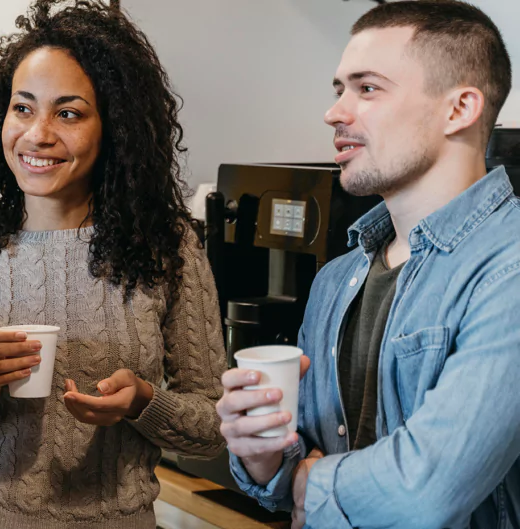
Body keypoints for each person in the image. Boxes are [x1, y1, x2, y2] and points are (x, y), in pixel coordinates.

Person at [0, 1, 227, 528]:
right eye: (23, 108)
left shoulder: (168, 253)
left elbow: (211, 427)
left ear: (113, 127)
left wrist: (145, 402)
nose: (39, 134)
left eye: (68, 112)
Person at [217, 2, 517, 528]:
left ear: (459, 108)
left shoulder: (508, 271)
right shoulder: (337, 279)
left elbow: (427, 491)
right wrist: (260, 455)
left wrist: (311, 480)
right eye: (339, 89)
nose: (335, 113)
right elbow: (292, 470)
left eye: (368, 88)